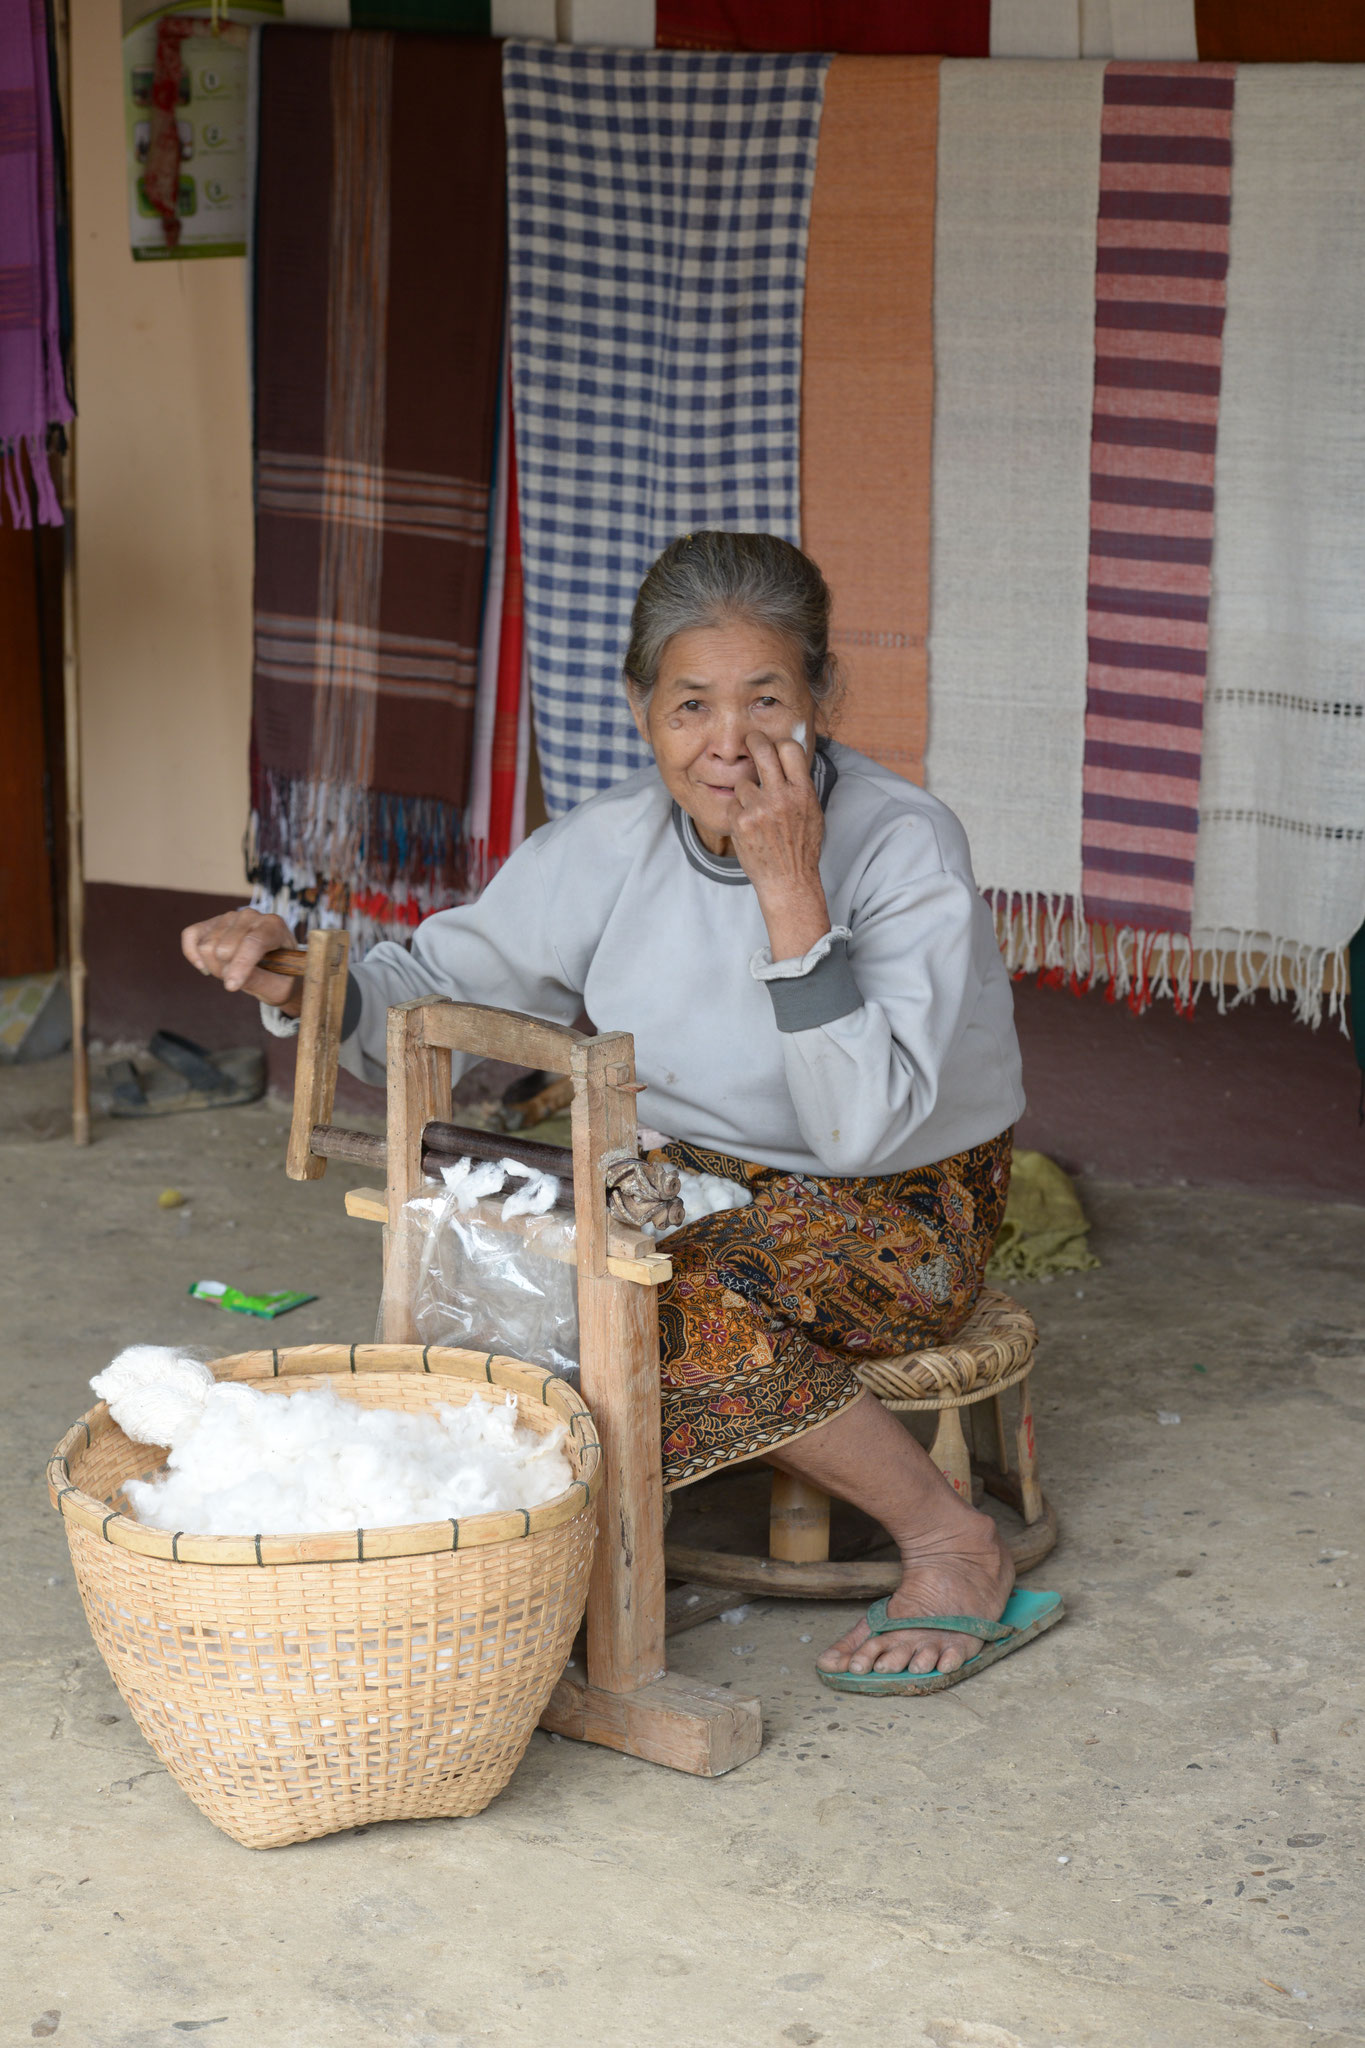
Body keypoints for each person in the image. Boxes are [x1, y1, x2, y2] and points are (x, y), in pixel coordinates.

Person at [183, 531, 1026, 1688]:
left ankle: (949, 1537)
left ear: (823, 698)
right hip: (688, 1177)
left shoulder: (903, 846)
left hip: (898, 1209)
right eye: (690, 707)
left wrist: (790, 884)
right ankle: (524, 1557)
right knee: (503, 1266)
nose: (727, 742)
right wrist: (296, 976)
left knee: (638, 1302)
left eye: (765, 699)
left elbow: (858, 1131)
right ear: (642, 713)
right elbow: (425, 990)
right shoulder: (609, 844)